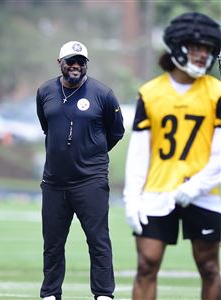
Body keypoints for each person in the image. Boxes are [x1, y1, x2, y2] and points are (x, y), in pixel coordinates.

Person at [123, 12, 221, 300]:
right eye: (196, 47)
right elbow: (139, 152)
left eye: (208, 48)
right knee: (146, 264)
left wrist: (196, 186)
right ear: (177, 46)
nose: (203, 55)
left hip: (205, 191)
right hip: (159, 187)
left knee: (209, 265)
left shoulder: (217, 93)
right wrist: (132, 197)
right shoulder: (151, 92)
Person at [36, 40, 125, 300]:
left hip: (90, 181)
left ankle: (103, 294)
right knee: (52, 243)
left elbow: (116, 131)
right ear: (60, 63)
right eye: (71, 61)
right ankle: (51, 294)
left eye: (81, 62)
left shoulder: (103, 94)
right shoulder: (45, 91)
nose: (76, 66)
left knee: (98, 241)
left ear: (86, 65)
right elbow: (47, 127)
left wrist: (92, 153)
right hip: (53, 181)